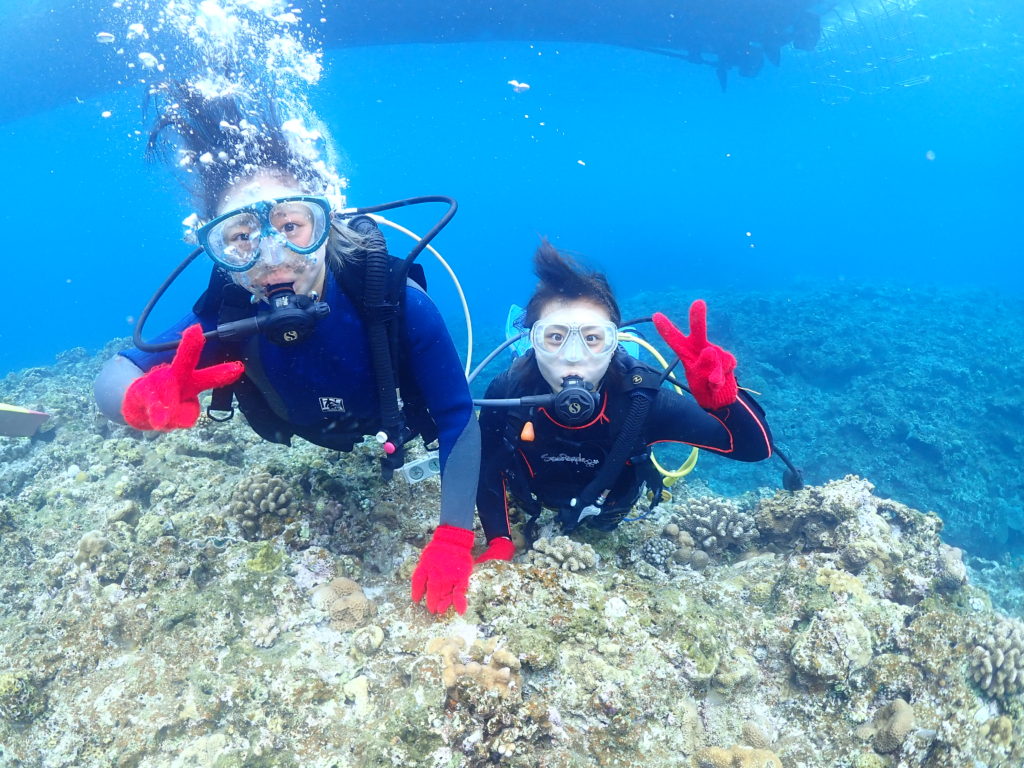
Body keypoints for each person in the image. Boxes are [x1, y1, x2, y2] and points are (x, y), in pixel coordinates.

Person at [93, 85, 480, 614]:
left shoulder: (392, 300)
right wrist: (137, 399)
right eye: (242, 238)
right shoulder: (228, 314)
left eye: (291, 227)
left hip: (388, 430)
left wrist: (455, 535)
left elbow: (457, 415)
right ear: (218, 250)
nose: (273, 257)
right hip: (298, 434)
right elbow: (115, 375)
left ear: (325, 224)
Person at [474, 242, 774, 561]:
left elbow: (753, 450)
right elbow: (485, 468)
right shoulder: (509, 390)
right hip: (530, 501)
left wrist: (725, 402)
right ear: (534, 341)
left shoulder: (641, 400)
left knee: (605, 522)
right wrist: (499, 539)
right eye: (555, 337)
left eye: (592, 338)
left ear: (614, 344)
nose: (573, 357)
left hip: (607, 515)